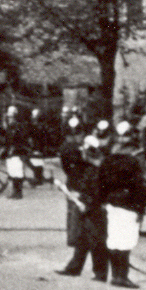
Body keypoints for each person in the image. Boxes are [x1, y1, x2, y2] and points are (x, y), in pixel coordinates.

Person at [93, 121, 146, 288]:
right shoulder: (135, 159)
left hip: (112, 203)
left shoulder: (109, 158)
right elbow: (140, 186)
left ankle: (115, 275)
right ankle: (122, 276)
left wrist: (103, 201)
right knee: (126, 240)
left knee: (114, 239)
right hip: (129, 204)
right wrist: (141, 208)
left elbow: (100, 182)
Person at [55, 118, 109, 281]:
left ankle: (99, 272)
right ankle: (76, 267)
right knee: (82, 234)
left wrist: (84, 200)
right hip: (82, 197)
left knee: (95, 237)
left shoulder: (96, 169)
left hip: (91, 202)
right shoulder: (77, 156)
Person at [58, 117, 86, 248]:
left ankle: (71, 237)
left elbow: (65, 167)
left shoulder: (64, 147)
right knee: (77, 209)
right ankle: (75, 237)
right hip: (79, 180)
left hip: (71, 180)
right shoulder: (79, 148)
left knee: (71, 209)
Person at [1, 106, 32, 200]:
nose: (9, 118)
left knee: (17, 172)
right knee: (12, 172)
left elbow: (19, 139)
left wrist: (14, 147)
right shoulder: (10, 126)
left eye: (11, 117)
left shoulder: (18, 126)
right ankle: (15, 192)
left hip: (17, 151)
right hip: (11, 152)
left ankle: (18, 193)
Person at [26, 108, 48, 186]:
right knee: (34, 161)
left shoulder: (40, 126)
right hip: (34, 145)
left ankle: (38, 178)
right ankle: (38, 176)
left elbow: (42, 137)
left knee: (37, 161)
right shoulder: (33, 125)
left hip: (38, 146)